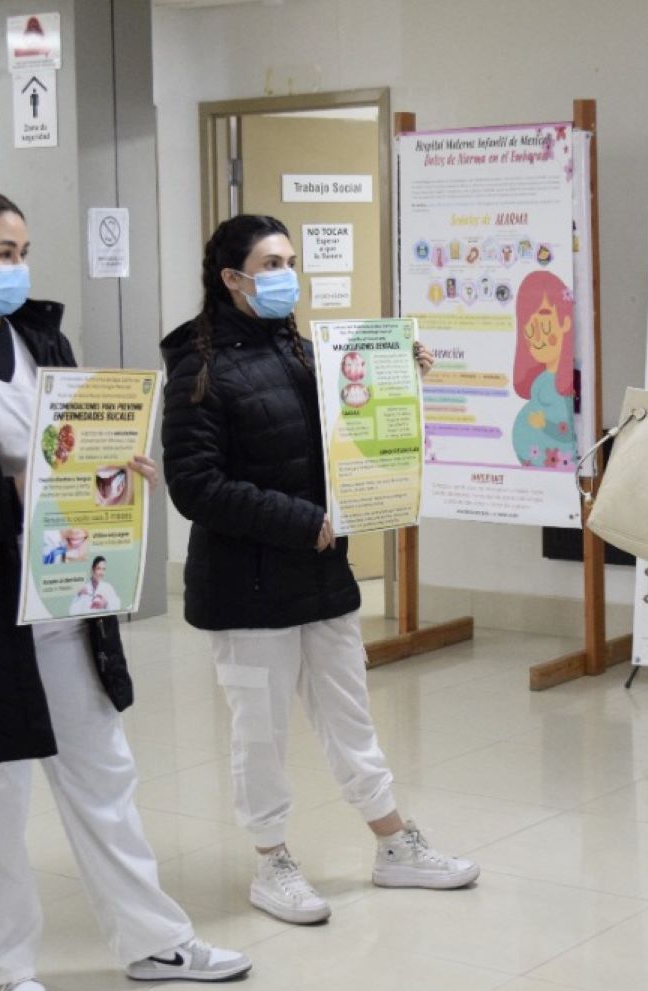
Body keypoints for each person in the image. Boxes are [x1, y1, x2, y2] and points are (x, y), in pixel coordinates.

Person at [0, 189, 249, 991]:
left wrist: (114, 475)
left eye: (24, 251)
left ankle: (152, 939)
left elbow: (73, 452)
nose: (18, 269)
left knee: (104, 776)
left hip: (65, 595)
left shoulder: (42, 339)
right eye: (1, 254)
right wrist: (13, 494)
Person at [161, 213, 480, 926]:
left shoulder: (306, 354)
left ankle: (394, 843)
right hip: (245, 585)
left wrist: (402, 374)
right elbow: (195, 486)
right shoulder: (198, 368)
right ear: (232, 279)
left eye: (290, 261)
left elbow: (352, 429)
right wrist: (302, 522)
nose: (285, 276)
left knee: (349, 716)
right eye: (270, 264)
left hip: (321, 575)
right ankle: (271, 861)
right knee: (260, 731)